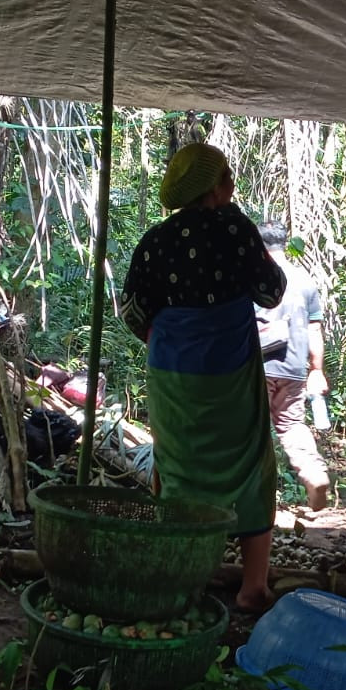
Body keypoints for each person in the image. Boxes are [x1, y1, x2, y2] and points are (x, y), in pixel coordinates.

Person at [121, 144, 287, 611]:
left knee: (177, 464)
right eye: (226, 177)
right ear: (213, 188)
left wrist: (171, 336)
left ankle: (179, 578)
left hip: (172, 374)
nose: (232, 183)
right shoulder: (235, 229)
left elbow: (132, 311)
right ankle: (252, 587)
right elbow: (271, 292)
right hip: (232, 373)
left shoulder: (155, 241)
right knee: (251, 465)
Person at [254, 220, 332, 512]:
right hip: (294, 368)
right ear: (283, 244)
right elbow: (315, 329)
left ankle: (255, 496)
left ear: (259, 246)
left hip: (258, 366)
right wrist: (316, 370)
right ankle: (313, 473)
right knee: (291, 425)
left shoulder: (255, 277)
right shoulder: (305, 280)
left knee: (252, 430)